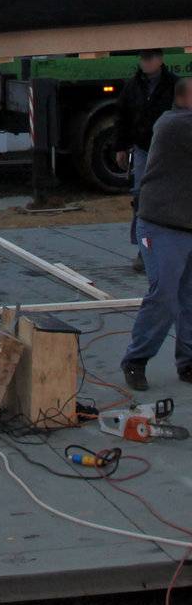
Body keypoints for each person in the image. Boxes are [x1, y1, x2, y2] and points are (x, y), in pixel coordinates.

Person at [121, 75, 192, 391]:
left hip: (187, 223)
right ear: (185, 98)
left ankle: (188, 361)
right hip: (162, 225)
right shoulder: (174, 124)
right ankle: (135, 360)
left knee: (189, 297)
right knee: (164, 295)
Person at [117, 49, 177, 272]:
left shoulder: (173, 85)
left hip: (168, 150)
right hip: (143, 147)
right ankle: (144, 251)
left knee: (171, 196)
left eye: (150, 58)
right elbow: (122, 116)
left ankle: (170, 248)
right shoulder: (133, 86)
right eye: (143, 58)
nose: (146, 63)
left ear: (160, 60)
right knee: (141, 197)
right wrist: (121, 146)